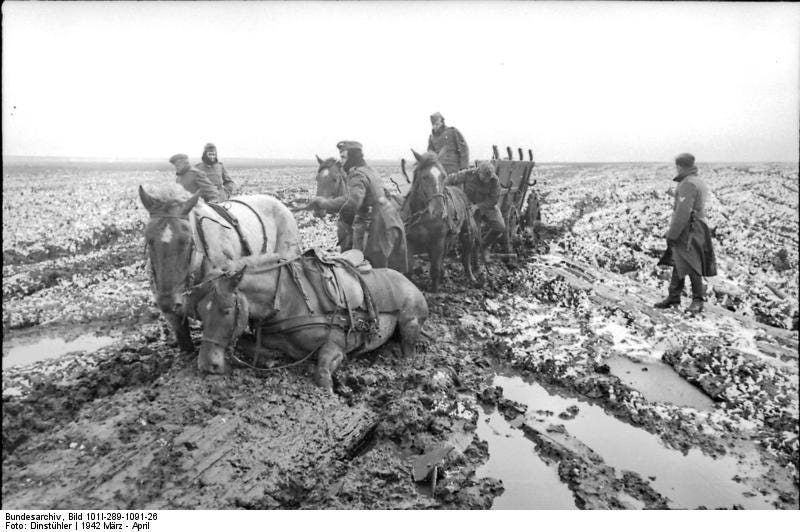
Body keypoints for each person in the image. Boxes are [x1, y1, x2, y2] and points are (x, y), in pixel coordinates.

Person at [654, 153, 717, 314]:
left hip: (689, 229)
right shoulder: (697, 181)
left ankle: (698, 300)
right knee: (679, 260)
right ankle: (674, 296)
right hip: (697, 226)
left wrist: (672, 234)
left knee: (692, 263)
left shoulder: (687, 184)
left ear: (680, 166)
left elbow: (682, 213)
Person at [337, 141, 407, 271]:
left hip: (373, 227)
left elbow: (354, 201)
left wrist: (344, 221)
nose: (340, 161)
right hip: (390, 221)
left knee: (361, 267)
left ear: (352, 157)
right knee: (388, 269)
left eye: (343, 157)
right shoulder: (371, 170)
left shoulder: (356, 174)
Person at [444, 161, 505, 263]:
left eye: (488, 178)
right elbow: (451, 178)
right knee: (474, 234)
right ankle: (473, 257)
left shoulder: (494, 180)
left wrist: (478, 206)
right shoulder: (468, 174)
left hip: (487, 207)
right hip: (470, 208)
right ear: (478, 172)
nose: (486, 180)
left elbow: (494, 199)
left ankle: (484, 245)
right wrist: (444, 189)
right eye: (484, 177)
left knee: (500, 227)